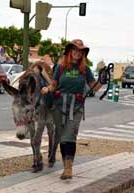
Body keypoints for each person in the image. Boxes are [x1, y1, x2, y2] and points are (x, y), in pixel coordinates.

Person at [41, 39, 103, 180]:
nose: (77, 52)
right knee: (62, 137)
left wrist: (102, 80)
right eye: (74, 49)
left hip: (76, 107)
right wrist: (47, 89)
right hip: (59, 106)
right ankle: (65, 166)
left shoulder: (84, 69)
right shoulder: (61, 67)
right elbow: (54, 85)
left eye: (80, 51)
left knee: (70, 136)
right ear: (69, 51)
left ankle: (69, 168)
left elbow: (94, 87)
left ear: (83, 54)